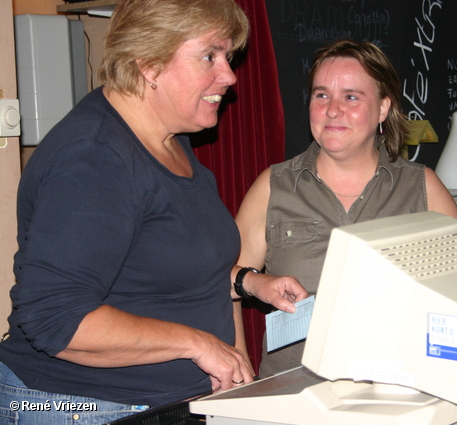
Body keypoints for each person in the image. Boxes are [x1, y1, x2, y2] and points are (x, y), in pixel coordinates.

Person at [0, 0, 306, 423]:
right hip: (85, 408)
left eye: (228, 56)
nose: (229, 75)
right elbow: (56, 321)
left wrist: (249, 282)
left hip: (166, 404)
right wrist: (197, 344)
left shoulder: (167, 139)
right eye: (209, 56)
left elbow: (161, 267)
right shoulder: (93, 158)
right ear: (149, 63)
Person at [235, 39, 457, 378]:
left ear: (383, 108)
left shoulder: (423, 189)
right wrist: (241, 374)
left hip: (397, 394)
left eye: (351, 97)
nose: (332, 110)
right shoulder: (273, 187)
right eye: (321, 94)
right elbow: (224, 285)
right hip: (290, 400)